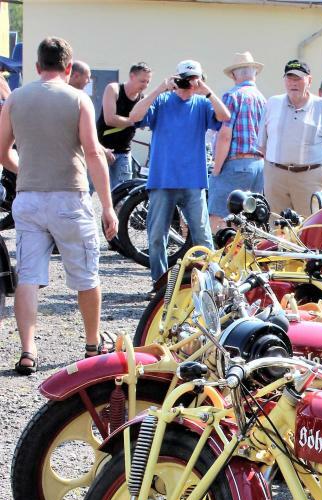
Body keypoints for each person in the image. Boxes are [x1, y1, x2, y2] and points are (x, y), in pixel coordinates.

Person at [0, 37, 117, 374]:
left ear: (37, 67)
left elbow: (2, 150)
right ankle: (92, 344)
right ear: (69, 68)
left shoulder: (16, 99)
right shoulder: (79, 99)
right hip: (70, 195)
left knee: (29, 277)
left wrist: (26, 168)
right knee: (85, 275)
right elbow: (93, 153)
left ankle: (28, 351)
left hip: (30, 197)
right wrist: (108, 206)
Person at [129, 59, 230, 287]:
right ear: (176, 78)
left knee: (203, 237)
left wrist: (207, 91)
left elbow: (224, 117)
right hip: (162, 180)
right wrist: (158, 89)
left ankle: (211, 284)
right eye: (184, 79)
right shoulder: (162, 101)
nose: (188, 84)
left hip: (192, 181)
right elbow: (134, 117)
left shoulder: (202, 104)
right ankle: (159, 284)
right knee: (157, 237)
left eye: (193, 79)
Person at [258, 59, 322, 218]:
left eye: (298, 78)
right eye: (289, 78)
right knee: (276, 228)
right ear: (284, 80)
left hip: (309, 177)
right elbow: (262, 144)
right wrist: (272, 169)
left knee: (309, 227)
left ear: (309, 81)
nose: (293, 83)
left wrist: (321, 172)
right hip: (276, 176)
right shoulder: (272, 104)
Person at [208, 51, 267, 233]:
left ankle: (217, 257)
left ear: (234, 75)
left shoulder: (232, 96)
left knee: (218, 215)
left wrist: (216, 169)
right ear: (254, 73)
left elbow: (225, 135)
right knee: (247, 218)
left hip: (236, 163)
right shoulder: (263, 99)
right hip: (259, 164)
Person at [95, 62, 152, 190]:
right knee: (91, 189)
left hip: (124, 152)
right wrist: (134, 121)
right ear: (132, 76)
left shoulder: (142, 99)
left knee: (123, 194)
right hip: (102, 149)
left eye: (148, 82)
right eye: (142, 81)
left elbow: (145, 122)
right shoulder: (114, 89)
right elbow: (110, 119)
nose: (145, 85)